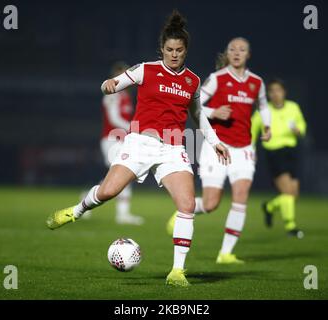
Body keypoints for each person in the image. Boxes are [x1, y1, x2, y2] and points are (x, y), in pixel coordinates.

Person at [46, 10, 230, 287]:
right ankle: (77, 211)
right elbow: (114, 84)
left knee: (187, 205)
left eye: (179, 50)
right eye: (169, 49)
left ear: (186, 50)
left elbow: (198, 115)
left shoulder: (192, 81)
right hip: (140, 143)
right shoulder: (147, 69)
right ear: (162, 49)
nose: (174, 54)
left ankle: (177, 271)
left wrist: (215, 142)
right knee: (108, 191)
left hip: (172, 147)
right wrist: (109, 86)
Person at [167, 37, 271, 264]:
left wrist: (268, 126)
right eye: (232, 49)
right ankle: (184, 210)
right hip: (217, 147)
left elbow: (263, 105)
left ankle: (226, 253)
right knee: (212, 203)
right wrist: (214, 112)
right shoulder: (217, 79)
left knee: (240, 198)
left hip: (244, 149)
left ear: (248, 54)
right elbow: (194, 103)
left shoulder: (256, 82)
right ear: (228, 53)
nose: (236, 52)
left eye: (242, 49)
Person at [251, 78, 306, 238]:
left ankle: (269, 206)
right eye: (272, 91)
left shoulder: (293, 107)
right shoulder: (263, 111)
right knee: (288, 192)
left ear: (284, 92)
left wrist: (298, 130)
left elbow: (302, 125)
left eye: (278, 90)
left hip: (291, 151)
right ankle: (291, 227)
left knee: (294, 194)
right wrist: (251, 150)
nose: (276, 94)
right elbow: (252, 131)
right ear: (268, 94)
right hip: (274, 152)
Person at [99, 61, 144, 225]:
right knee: (123, 174)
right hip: (111, 140)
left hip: (121, 140)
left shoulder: (125, 96)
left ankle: (86, 198)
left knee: (115, 177)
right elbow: (114, 118)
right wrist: (133, 127)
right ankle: (122, 214)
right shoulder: (112, 94)